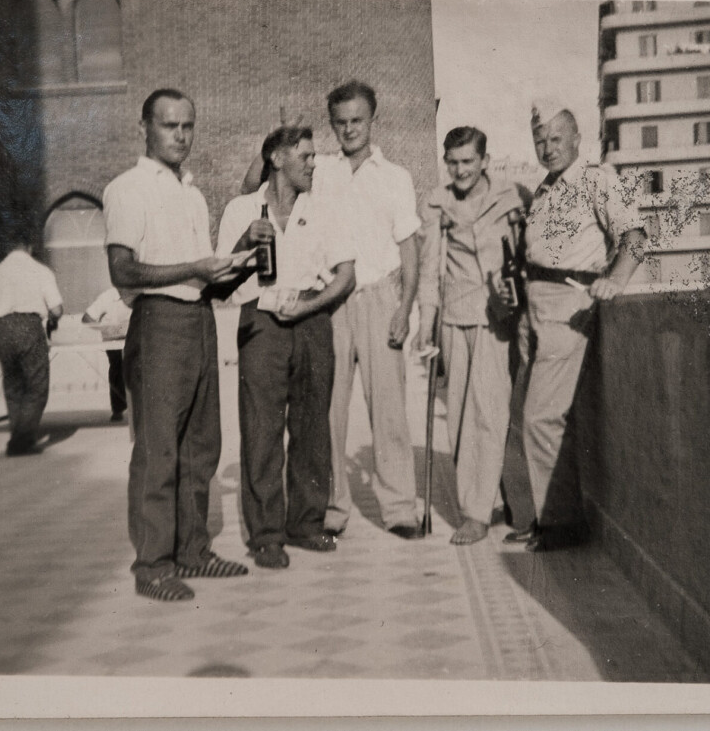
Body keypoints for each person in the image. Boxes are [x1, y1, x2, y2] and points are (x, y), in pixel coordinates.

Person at [104, 88, 248, 603]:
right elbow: (122, 271)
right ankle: (152, 566)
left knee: (200, 445)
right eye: (170, 125)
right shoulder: (127, 189)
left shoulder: (192, 193)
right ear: (143, 127)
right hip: (158, 323)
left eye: (188, 126)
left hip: (199, 319)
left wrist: (241, 255)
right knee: (158, 450)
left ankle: (193, 552)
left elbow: (203, 275)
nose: (181, 136)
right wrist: (193, 268)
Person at [493, 101, 646, 553]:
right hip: (534, 306)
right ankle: (545, 515)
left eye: (556, 138)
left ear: (578, 139)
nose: (548, 148)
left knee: (541, 415)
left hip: (570, 305)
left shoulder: (597, 180)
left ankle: (561, 523)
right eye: (540, 140)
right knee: (530, 416)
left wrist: (616, 280)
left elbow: (636, 237)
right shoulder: (544, 189)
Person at [216, 126, 357, 569]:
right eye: (306, 156)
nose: (314, 164)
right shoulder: (240, 209)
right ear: (277, 159)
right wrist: (245, 243)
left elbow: (346, 276)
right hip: (260, 323)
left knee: (312, 429)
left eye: (314, 157)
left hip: (312, 320)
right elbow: (221, 284)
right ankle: (266, 536)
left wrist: (310, 306)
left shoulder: (324, 208)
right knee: (261, 431)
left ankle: (306, 524)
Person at [316, 81, 423, 540]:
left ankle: (399, 508)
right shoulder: (319, 172)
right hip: (331, 302)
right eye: (340, 122)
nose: (349, 129)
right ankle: (331, 507)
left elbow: (410, 250)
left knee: (389, 410)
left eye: (357, 120)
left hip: (380, 299)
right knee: (328, 411)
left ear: (372, 120)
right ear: (331, 125)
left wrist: (404, 309)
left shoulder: (395, 177)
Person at [415, 127, 528, 545]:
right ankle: (480, 503)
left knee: (492, 413)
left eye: (468, 161)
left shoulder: (512, 197)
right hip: (455, 318)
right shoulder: (436, 203)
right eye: (453, 162)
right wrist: (425, 324)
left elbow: (527, 256)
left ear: (484, 160)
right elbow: (429, 270)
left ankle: (480, 512)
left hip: (498, 319)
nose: (460, 170)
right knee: (461, 416)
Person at [0, 230, 63, 457]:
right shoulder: (41, 271)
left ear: (8, 249)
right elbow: (56, 309)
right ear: (29, 248)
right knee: (37, 385)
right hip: (29, 326)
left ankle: (20, 436)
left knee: (13, 386)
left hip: (1, 328)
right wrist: (52, 319)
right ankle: (21, 441)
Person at [82, 286, 131, 421]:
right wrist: (105, 328)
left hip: (134, 337)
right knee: (117, 369)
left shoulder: (139, 294)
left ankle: (140, 409)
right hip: (113, 340)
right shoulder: (107, 296)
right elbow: (87, 318)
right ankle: (117, 409)